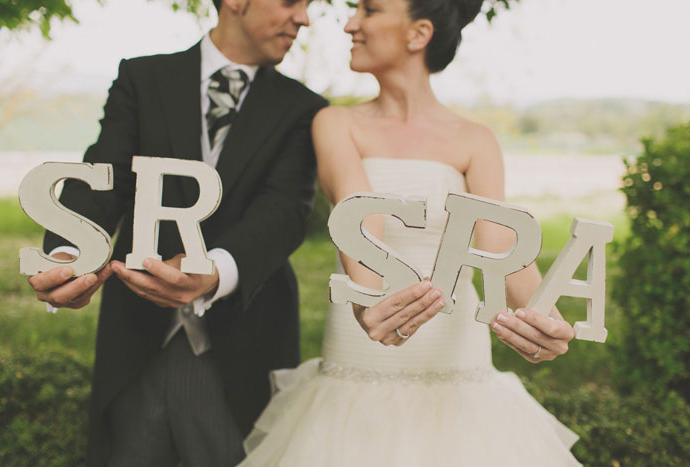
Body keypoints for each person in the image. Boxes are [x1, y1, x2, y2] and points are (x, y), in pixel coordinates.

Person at [239, 0, 581, 465]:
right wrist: (368, 300)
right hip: (358, 361)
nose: (350, 24)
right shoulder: (336, 123)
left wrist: (546, 318)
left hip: (456, 367)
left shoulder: (475, 138)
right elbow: (359, 218)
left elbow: (500, 245)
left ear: (418, 34)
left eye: (371, 10)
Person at [26, 0, 331, 465]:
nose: (304, 18)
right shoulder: (141, 79)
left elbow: (286, 210)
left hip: (245, 340)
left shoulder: (305, 109)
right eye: (292, 1)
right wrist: (70, 254)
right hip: (136, 339)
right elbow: (104, 175)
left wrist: (215, 272)